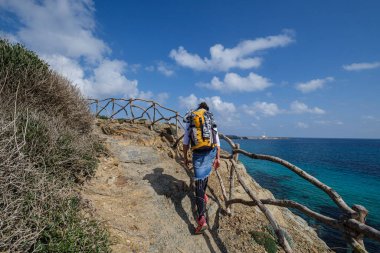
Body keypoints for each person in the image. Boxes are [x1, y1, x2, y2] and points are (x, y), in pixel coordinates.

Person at [183, 102, 220, 234]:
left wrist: (185, 156)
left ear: (198, 108)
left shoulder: (192, 117)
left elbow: (186, 140)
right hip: (211, 151)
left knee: (199, 182)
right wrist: (218, 157)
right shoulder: (210, 116)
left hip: (198, 153)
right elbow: (216, 138)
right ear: (206, 109)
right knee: (205, 175)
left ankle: (201, 219)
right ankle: (203, 196)